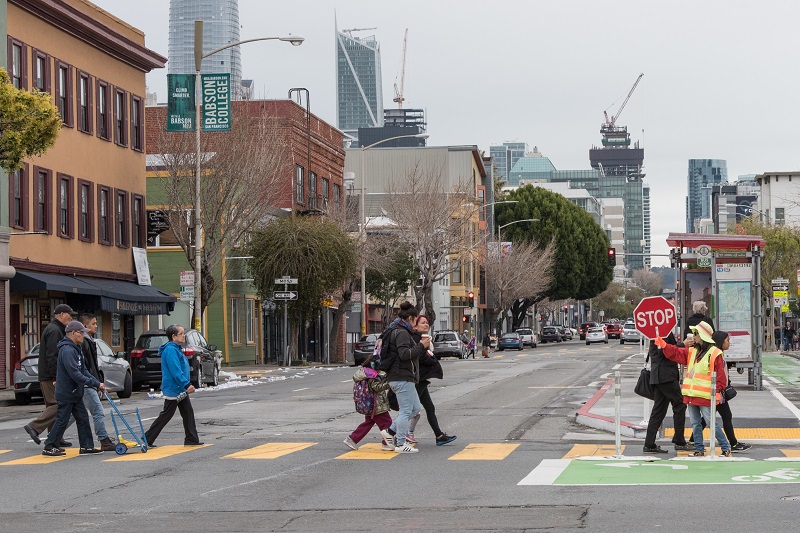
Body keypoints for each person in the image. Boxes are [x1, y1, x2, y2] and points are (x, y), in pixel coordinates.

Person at [655, 321, 731, 457]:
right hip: (692, 395)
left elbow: (721, 377)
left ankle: (725, 447)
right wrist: (664, 345)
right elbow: (676, 353)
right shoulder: (693, 351)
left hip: (706, 395)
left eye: (696, 334)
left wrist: (717, 392)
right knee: (696, 423)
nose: (693, 336)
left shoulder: (715, 353)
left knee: (709, 422)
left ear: (702, 335)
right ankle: (699, 449)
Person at [42, 320, 105, 456]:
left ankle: (86, 446)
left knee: (82, 418)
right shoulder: (67, 350)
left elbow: (84, 370)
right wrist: (94, 384)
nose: (83, 335)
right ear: (73, 333)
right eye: (81, 332)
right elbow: (75, 373)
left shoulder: (76, 348)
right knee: (62, 419)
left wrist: (97, 382)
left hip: (75, 392)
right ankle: (49, 446)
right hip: (66, 391)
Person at [687, 330, 752, 452]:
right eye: (727, 340)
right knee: (722, 417)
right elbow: (719, 377)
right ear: (721, 342)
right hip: (715, 393)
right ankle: (731, 444)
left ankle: (693, 440)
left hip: (714, 392)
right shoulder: (715, 355)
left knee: (706, 418)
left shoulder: (715, 354)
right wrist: (718, 391)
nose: (730, 343)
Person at [24, 304, 75, 448]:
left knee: (52, 406)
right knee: (58, 405)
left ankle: (55, 437)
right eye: (70, 315)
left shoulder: (56, 328)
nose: (71, 318)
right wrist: (56, 377)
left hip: (47, 374)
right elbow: (52, 355)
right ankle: (34, 427)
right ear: (62, 314)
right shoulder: (54, 330)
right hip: (50, 376)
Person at [379, 302, 427, 454]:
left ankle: (389, 433)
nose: (415, 324)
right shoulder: (401, 332)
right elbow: (404, 354)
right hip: (401, 376)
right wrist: (421, 346)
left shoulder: (397, 330)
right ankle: (400, 443)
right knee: (406, 410)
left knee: (415, 409)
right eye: (415, 320)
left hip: (403, 376)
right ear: (411, 318)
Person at [144, 324, 203, 447]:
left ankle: (191, 439)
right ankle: (147, 438)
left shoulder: (175, 348)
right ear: (173, 336)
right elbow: (175, 369)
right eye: (181, 334)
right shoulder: (170, 350)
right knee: (166, 415)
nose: (184, 336)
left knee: (187, 412)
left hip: (179, 388)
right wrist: (186, 384)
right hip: (174, 388)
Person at [405, 314, 457, 447]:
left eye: (427, 322)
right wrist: (431, 357)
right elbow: (421, 358)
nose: (426, 324)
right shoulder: (417, 339)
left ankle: (439, 436)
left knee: (429, 407)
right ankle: (392, 433)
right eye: (423, 322)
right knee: (410, 409)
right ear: (415, 325)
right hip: (416, 379)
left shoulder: (423, 339)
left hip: (421, 379)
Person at [642, 333, 692, 454]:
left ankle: (649, 443)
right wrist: (682, 345)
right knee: (680, 404)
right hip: (665, 375)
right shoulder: (661, 331)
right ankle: (679, 440)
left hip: (660, 375)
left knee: (659, 410)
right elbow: (664, 351)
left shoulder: (656, 330)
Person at [79, 314, 117, 452]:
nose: (96, 326)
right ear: (85, 326)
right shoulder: (84, 342)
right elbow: (86, 367)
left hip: (89, 381)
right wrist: (95, 382)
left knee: (74, 413)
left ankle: (53, 437)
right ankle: (104, 439)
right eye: (93, 323)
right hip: (86, 383)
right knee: (98, 412)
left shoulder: (90, 341)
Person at [344, 357, 394, 451]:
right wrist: (389, 384)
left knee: (368, 423)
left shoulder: (366, 373)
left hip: (369, 404)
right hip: (376, 405)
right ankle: (386, 443)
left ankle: (351, 439)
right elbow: (376, 387)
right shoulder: (371, 376)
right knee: (387, 423)